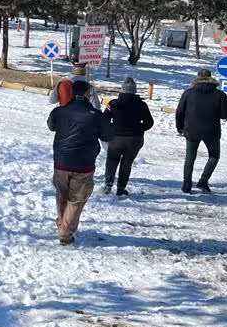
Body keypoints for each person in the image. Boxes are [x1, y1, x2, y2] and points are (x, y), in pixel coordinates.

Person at [47, 80, 114, 245]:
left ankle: (63, 225)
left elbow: (51, 125)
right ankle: (65, 233)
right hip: (84, 165)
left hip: (61, 162)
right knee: (76, 200)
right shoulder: (96, 115)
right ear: (87, 94)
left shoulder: (59, 111)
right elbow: (108, 136)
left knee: (62, 196)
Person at [175, 69, 227, 194]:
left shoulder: (188, 93)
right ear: (210, 78)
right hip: (211, 131)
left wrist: (180, 127)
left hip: (191, 130)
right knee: (214, 156)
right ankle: (203, 181)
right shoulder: (219, 94)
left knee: (190, 157)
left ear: (198, 78)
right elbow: (226, 114)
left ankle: (186, 183)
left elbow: (179, 112)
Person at [103, 77, 154, 196]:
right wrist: (139, 129)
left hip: (115, 139)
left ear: (122, 90)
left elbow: (104, 119)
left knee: (112, 160)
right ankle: (121, 188)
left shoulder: (113, 103)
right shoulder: (142, 105)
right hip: (134, 140)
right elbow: (149, 123)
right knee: (127, 163)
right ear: (134, 90)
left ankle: (108, 184)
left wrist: (112, 128)